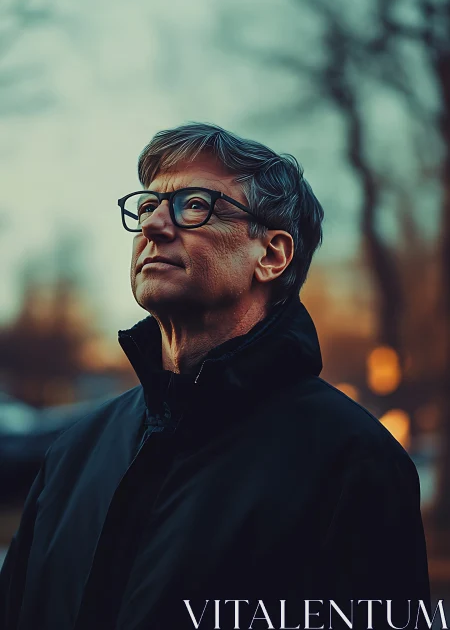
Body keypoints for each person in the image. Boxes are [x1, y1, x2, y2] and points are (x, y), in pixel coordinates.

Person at [0, 123, 430, 630]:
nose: (154, 226)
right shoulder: (74, 454)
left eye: (194, 205)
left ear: (271, 255)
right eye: (146, 207)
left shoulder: (354, 461)